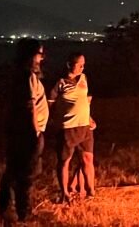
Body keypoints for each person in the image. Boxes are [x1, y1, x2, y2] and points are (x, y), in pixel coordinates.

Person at [0, 38, 49, 222]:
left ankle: (5, 209)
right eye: (40, 53)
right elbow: (30, 106)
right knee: (26, 173)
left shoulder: (17, 75)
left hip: (16, 130)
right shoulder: (27, 77)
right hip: (27, 132)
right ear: (31, 55)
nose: (42, 58)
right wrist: (35, 131)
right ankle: (23, 213)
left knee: (13, 170)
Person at [48, 51, 97, 202]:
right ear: (69, 64)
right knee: (65, 161)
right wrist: (52, 120)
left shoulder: (84, 78)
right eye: (79, 64)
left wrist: (89, 118)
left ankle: (91, 192)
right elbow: (50, 103)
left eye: (84, 64)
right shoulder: (60, 82)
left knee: (88, 159)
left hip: (85, 126)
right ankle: (65, 193)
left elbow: (86, 100)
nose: (82, 67)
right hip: (68, 127)